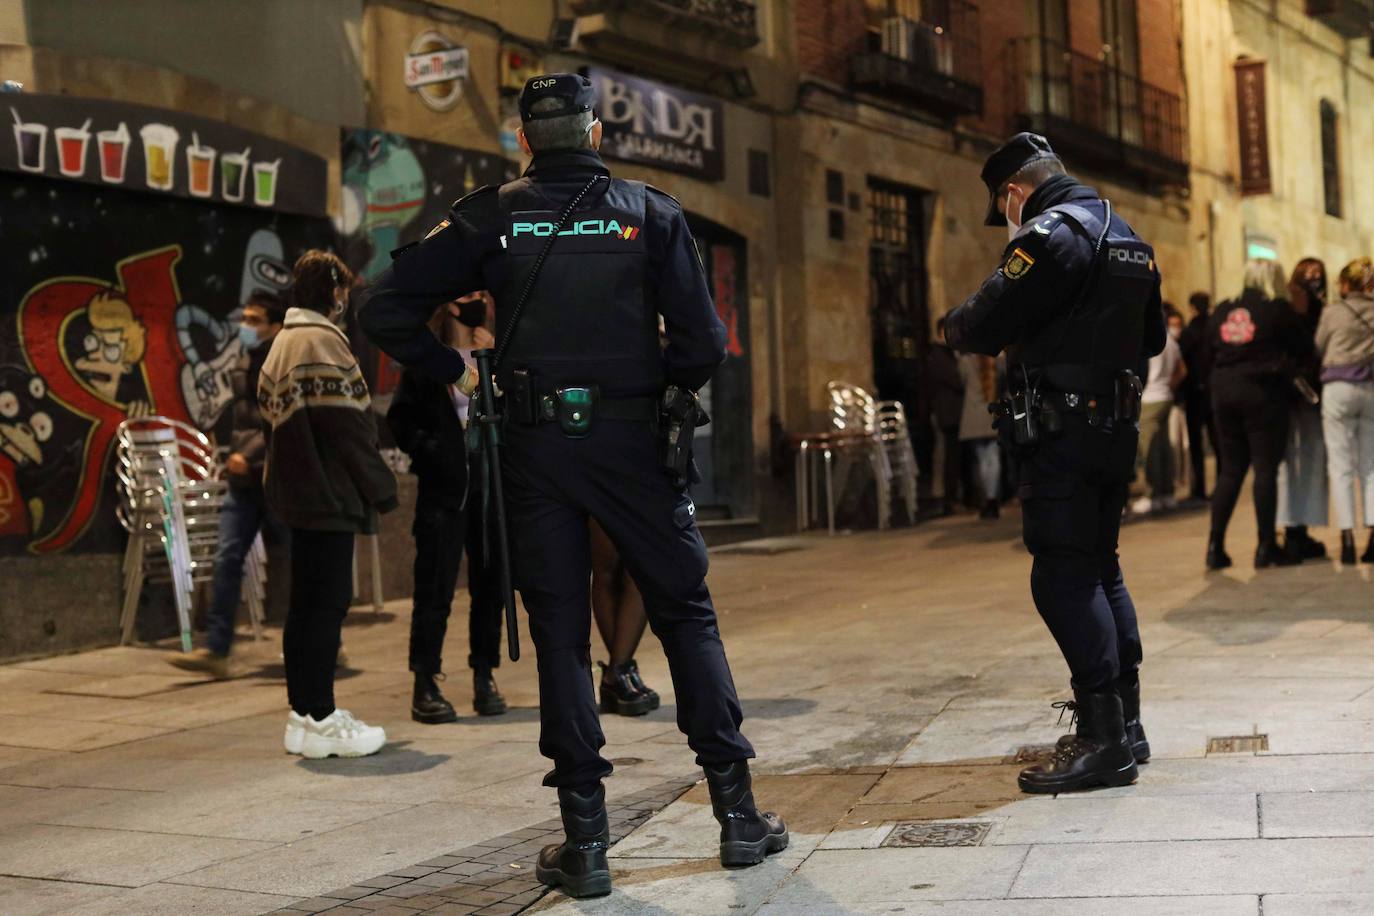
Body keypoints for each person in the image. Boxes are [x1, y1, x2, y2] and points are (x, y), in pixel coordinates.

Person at [359, 73, 786, 898]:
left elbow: (383, 309)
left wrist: (454, 365)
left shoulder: (487, 214)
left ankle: (585, 844)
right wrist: (662, 385)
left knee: (558, 632)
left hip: (536, 446)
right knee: (686, 612)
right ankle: (738, 819)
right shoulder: (650, 212)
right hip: (634, 445)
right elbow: (704, 340)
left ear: (523, 140)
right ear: (596, 133)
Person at [944, 132, 1162, 795]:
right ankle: (1127, 724)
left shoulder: (1047, 235)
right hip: (1115, 424)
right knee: (1101, 565)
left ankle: (1102, 741)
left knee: (1062, 575)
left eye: (1002, 207)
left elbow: (979, 324)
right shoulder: (1126, 235)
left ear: (1013, 192)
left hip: (1062, 432)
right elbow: (1151, 338)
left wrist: (950, 325)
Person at [259, 250, 397, 759]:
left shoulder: (283, 343)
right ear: (334, 292)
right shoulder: (319, 342)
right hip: (328, 494)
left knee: (305, 607)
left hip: (298, 495)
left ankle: (303, 715)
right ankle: (321, 716)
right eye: (344, 291)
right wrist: (382, 488)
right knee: (327, 606)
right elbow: (347, 430)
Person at [386, 293, 508, 723]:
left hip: (490, 489)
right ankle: (425, 682)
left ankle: (484, 675)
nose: (477, 302)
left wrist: (494, 359)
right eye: (467, 296)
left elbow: (512, 413)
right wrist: (434, 452)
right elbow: (400, 421)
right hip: (445, 490)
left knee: (490, 587)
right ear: (449, 304)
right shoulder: (429, 358)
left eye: (481, 295)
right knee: (434, 589)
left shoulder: (496, 350)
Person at [168, 291, 289, 678]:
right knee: (227, 556)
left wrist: (250, 454)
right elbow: (243, 419)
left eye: (254, 320)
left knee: (300, 560)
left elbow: (279, 417)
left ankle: (325, 641)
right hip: (242, 481)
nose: (246, 327)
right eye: (245, 318)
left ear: (274, 325)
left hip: (275, 477)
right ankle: (217, 650)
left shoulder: (280, 360)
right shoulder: (243, 359)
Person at [1205, 259, 1315, 571]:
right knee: (1265, 470)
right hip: (1262, 393)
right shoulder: (1277, 308)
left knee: (1230, 470)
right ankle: (1266, 546)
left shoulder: (1223, 307)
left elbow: (1207, 350)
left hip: (1223, 391)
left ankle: (1215, 546)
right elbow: (1304, 346)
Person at [1316, 257, 1374, 565]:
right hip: (1370, 387)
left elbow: (1319, 345)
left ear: (1345, 284)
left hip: (1337, 388)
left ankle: (1348, 538)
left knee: (1340, 466)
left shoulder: (1333, 311)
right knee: (1370, 464)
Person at [1277, 258, 1330, 562]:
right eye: (1309, 272)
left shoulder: (1321, 306)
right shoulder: (1289, 305)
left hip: (1312, 396)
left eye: (1318, 273)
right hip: (1293, 394)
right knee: (1291, 465)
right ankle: (1292, 529)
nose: (1314, 277)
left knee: (1310, 463)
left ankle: (1301, 528)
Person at [590, 519, 660, 715]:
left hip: (642, 490)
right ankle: (620, 673)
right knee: (607, 566)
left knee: (641, 569)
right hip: (597, 490)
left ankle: (616, 674)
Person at [1132, 306, 1186, 514]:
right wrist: (1169, 387)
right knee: (1164, 448)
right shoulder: (1170, 340)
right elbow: (1182, 370)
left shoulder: (1148, 339)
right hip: (1165, 396)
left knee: (1150, 449)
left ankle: (1151, 493)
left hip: (1151, 397)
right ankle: (1167, 492)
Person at [1178, 292, 1217, 501]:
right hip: (1214, 391)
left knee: (1196, 445)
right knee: (1218, 441)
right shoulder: (1215, 328)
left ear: (1192, 307)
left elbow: (1182, 362)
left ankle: (1199, 488)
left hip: (1194, 393)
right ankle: (1222, 485)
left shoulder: (1188, 332)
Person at [957, 352, 1001, 519]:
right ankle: (993, 498)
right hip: (991, 415)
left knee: (983, 460)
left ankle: (987, 500)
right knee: (994, 458)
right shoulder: (996, 362)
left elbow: (961, 382)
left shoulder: (966, 362)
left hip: (974, 415)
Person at [928, 318, 965, 515]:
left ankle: (955, 497)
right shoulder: (938, 355)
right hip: (947, 414)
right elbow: (956, 380)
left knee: (955, 457)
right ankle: (948, 500)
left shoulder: (947, 354)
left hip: (953, 413)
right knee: (949, 459)